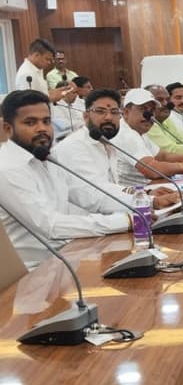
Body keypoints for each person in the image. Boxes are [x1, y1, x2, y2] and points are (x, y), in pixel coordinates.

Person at [0, 89, 130, 269]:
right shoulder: (7, 169)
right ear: (7, 129)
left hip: (67, 257)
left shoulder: (47, 157)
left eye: (46, 121)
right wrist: (125, 221)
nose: (42, 128)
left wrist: (145, 204)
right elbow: (51, 226)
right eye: (30, 122)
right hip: (33, 273)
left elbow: (90, 195)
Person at [55, 88, 181, 211]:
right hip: (87, 221)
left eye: (114, 112)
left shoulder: (107, 143)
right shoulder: (74, 146)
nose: (109, 117)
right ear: (85, 116)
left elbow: (109, 188)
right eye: (100, 111)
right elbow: (95, 196)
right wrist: (151, 202)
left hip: (115, 216)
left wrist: (145, 193)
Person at [111, 88, 183, 186]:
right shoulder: (126, 134)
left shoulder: (140, 132)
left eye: (152, 110)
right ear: (126, 112)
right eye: (143, 109)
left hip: (152, 187)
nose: (148, 115)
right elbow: (151, 169)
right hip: (135, 192)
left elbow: (163, 156)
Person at [15, 38, 65, 103]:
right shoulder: (26, 74)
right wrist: (51, 98)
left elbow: (39, 94)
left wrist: (55, 92)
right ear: (37, 55)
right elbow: (28, 102)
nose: (49, 62)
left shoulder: (37, 69)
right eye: (47, 59)